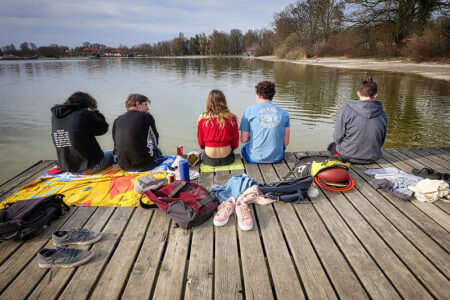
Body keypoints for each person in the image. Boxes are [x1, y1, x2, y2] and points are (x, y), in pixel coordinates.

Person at [329, 76, 388, 164]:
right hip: (372, 158)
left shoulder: (345, 110)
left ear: (358, 93)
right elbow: (381, 140)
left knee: (331, 146)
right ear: (375, 95)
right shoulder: (383, 114)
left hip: (347, 156)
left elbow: (337, 138)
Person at [51, 91, 113, 174]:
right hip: (90, 167)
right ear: (87, 105)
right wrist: (95, 112)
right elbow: (103, 129)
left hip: (68, 168)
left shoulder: (55, 116)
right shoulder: (84, 114)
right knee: (113, 153)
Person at [240, 81, 290, 163]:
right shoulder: (284, 113)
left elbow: (244, 139)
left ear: (259, 95)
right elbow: (285, 142)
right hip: (276, 158)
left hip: (254, 158)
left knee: (245, 146)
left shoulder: (249, 110)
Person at [113, 94, 165, 171]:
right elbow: (155, 139)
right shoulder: (146, 116)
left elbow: (115, 144)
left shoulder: (117, 120)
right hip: (144, 165)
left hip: (123, 166)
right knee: (157, 150)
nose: (148, 108)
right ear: (137, 104)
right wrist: (156, 148)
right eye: (145, 105)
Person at [197, 89, 239, 166]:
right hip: (227, 159)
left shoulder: (202, 119)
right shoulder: (231, 118)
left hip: (209, 159)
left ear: (208, 103)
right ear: (224, 102)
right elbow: (235, 143)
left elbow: (201, 143)